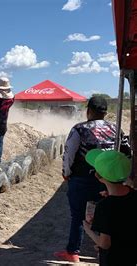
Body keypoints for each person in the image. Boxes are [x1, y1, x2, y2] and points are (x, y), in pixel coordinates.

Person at [54, 95, 131, 263]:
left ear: (88, 111)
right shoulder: (116, 128)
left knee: (78, 215)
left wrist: (66, 173)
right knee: (106, 213)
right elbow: (127, 152)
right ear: (105, 113)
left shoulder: (79, 129)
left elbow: (69, 154)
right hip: (110, 179)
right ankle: (101, 248)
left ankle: (73, 252)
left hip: (81, 178)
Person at [83, 149, 137, 266]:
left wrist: (88, 231)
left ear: (98, 176)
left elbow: (105, 244)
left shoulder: (104, 206)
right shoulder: (134, 195)